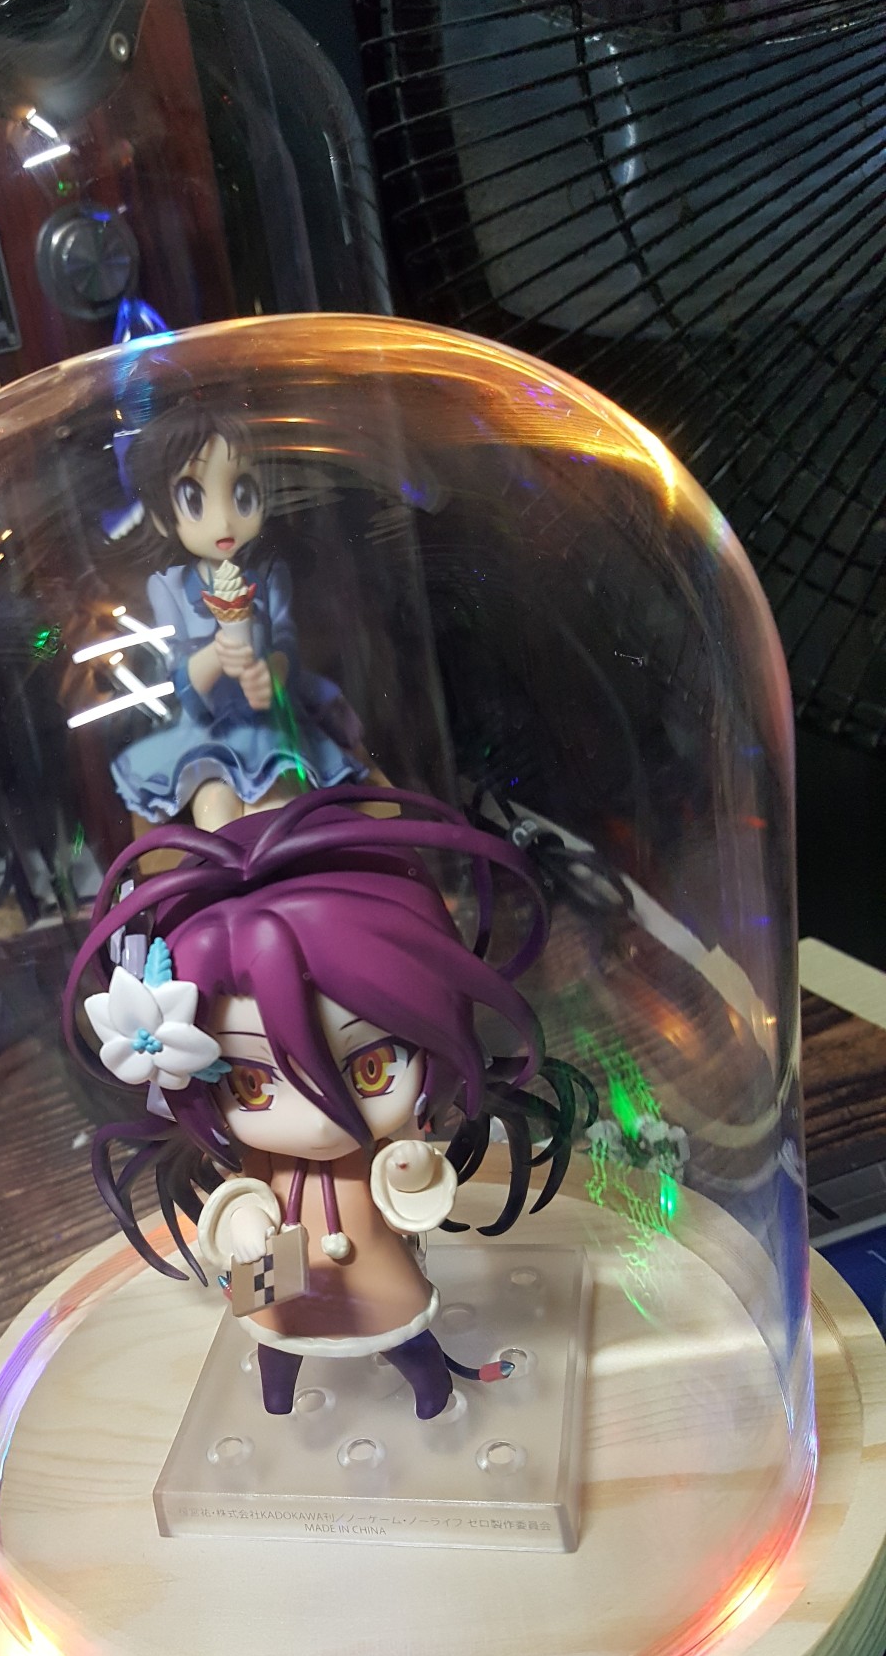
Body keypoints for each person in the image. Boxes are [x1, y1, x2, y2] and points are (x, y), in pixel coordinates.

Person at [65, 787, 588, 1418]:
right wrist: (241, 1224)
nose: (316, 1120)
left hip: (367, 1259)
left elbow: (411, 1197)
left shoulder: (383, 1140)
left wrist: (410, 1171)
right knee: (276, 1340)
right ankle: (279, 1407)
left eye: (370, 1068)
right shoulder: (264, 1156)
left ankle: (433, 1399)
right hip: (278, 1267)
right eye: (252, 1084)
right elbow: (238, 1195)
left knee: (401, 1333)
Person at [108, 398, 369, 831]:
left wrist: (275, 671)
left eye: (242, 493)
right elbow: (176, 670)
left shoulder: (269, 574)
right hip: (209, 727)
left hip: (270, 721)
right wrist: (215, 657)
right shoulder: (168, 586)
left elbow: (285, 636)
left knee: (278, 807)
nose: (225, 521)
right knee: (215, 811)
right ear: (161, 518)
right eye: (194, 499)